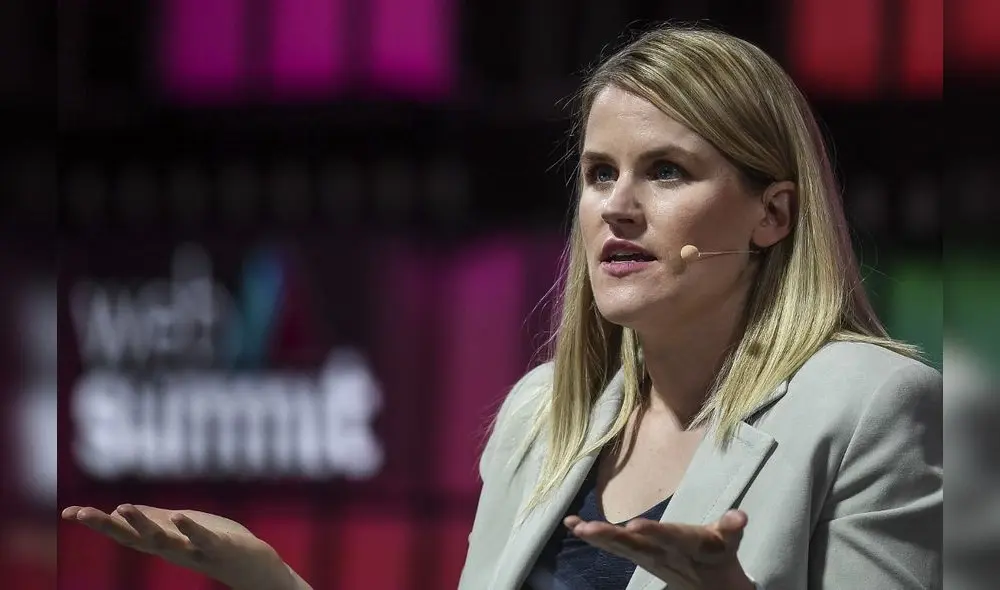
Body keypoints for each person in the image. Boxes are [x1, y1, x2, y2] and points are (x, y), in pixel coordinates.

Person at [60, 24, 942, 590]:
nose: (617, 207)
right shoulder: (538, 414)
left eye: (665, 170)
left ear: (772, 214)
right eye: (600, 174)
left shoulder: (869, 404)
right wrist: (275, 582)